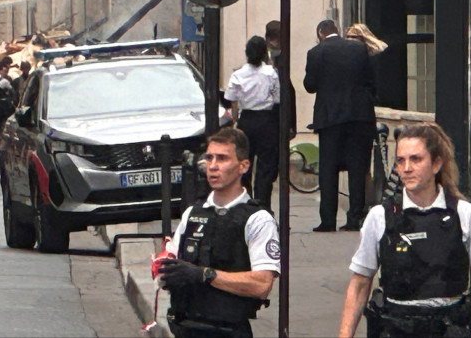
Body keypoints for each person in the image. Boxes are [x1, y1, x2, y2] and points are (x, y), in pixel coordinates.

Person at [338, 123, 471, 338]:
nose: (407, 168)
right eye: (400, 161)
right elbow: (360, 283)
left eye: (416, 159)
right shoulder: (380, 216)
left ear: (436, 163)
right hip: (396, 327)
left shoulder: (463, 213)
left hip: (450, 326)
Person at [158, 127, 280, 338]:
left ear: (243, 166)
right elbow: (171, 262)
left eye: (222, 159)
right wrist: (164, 267)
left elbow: (262, 284)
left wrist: (205, 275)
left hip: (228, 330)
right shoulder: (192, 213)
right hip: (185, 327)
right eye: (209, 158)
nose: (213, 166)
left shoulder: (257, 219)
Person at [303, 19, 377, 232]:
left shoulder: (316, 52)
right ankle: (354, 217)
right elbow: (370, 80)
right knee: (357, 167)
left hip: (330, 118)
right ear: (337, 30)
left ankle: (328, 220)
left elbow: (310, 86)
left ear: (320, 33)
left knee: (328, 168)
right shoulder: (359, 50)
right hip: (359, 116)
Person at [223, 36, 281, 205]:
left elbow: (232, 102)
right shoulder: (271, 73)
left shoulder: (237, 74)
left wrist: (235, 121)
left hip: (246, 120)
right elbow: (277, 99)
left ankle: (245, 203)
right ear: (265, 53)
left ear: (246, 53)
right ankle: (263, 204)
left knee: (244, 164)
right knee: (265, 167)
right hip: (266, 120)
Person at [0, 56, 17, 152]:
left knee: (7, 127)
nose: (8, 69)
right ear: (3, 67)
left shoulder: (6, 78)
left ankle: (4, 146)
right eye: (7, 67)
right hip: (0, 105)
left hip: (8, 105)